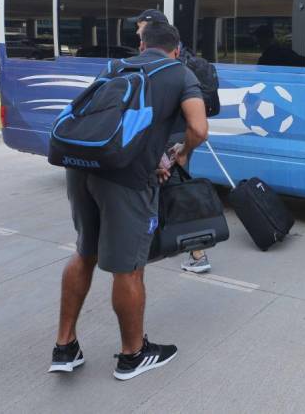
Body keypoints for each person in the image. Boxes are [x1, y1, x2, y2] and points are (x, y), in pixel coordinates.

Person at [49, 22, 208, 381]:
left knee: (84, 252)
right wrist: (181, 154)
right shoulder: (180, 73)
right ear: (176, 49)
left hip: (82, 167)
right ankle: (132, 354)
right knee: (129, 268)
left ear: (141, 45)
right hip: (125, 179)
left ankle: (65, 346)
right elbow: (198, 128)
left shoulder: (116, 67)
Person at [132, 9, 211, 274]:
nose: (137, 35)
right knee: (175, 192)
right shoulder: (184, 58)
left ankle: (196, 253)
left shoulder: (159, 65)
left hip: (168, 137)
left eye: (140, 30)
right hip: (182, 135)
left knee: (171, 193)